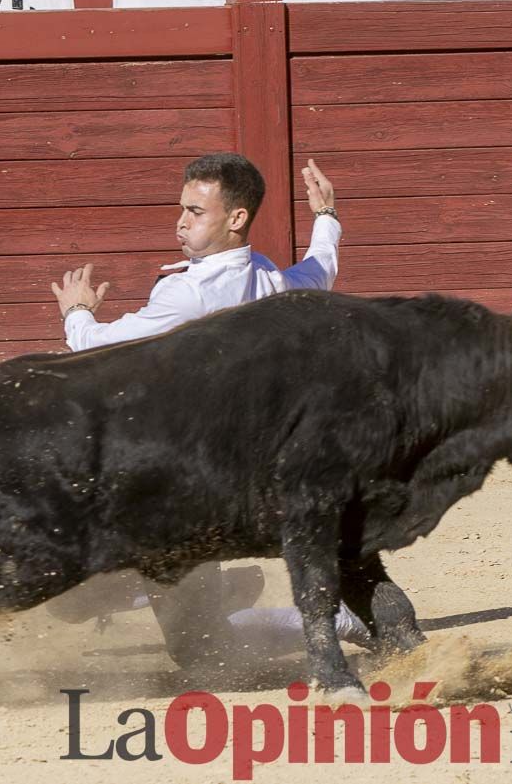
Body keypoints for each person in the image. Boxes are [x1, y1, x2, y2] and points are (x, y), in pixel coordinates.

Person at [43, 152, 423, 668]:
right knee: (169, 623)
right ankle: (175, 591)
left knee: (188, 642)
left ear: (236, 218)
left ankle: (330, 619)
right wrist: (326, 218)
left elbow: (100, 352)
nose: (180, 222)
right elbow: (320, 274)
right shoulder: (268, 279)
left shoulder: (190, 294)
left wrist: (77, 312)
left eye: (195, 212)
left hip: (186, 488)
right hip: (247, 473)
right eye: (181, 209)